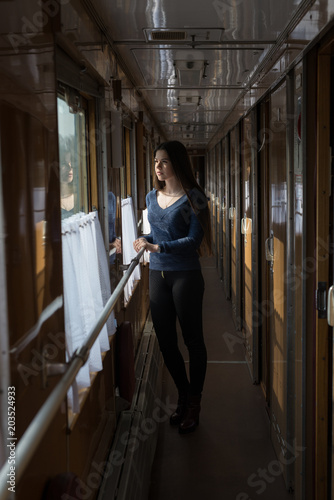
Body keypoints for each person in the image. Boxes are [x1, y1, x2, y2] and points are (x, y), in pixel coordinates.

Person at [133, 140, 211, 434]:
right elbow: (155, 231)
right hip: (157, 274)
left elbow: (193, 241)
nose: (157, 167)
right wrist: (143, 241)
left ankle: (194, 404)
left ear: (177, 164)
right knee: (166, 342)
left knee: (193, 341)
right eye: (155, 161)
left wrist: (157, 246)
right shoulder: (151, 198)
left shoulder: (195, 199)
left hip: (186, 276)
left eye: (163, 161)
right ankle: (183, 394)